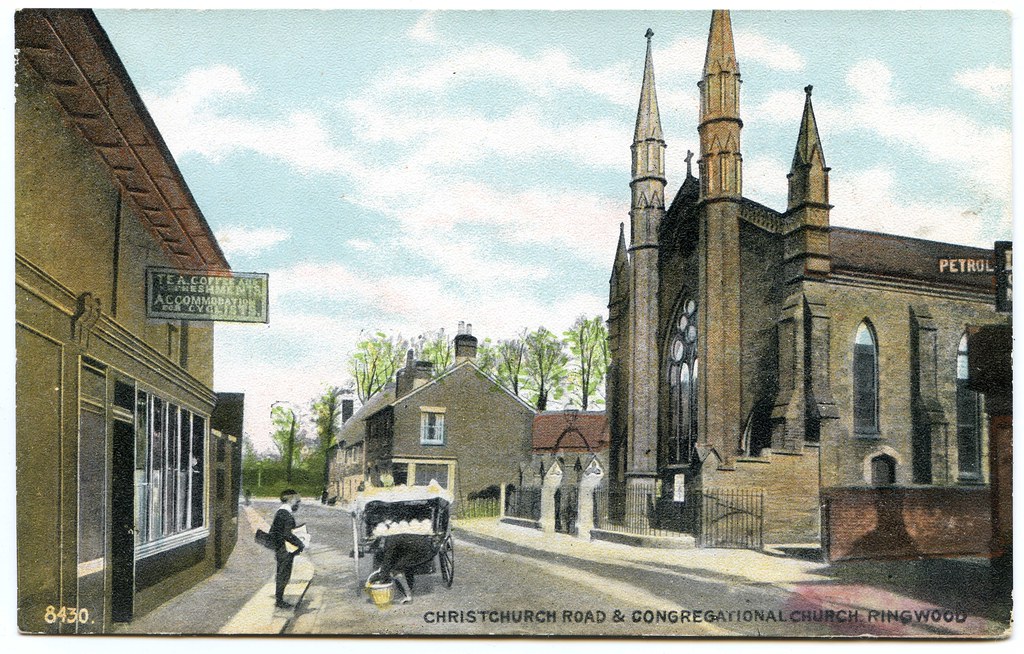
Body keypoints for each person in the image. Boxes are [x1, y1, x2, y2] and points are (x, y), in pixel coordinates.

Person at [269, 489, 305, 609]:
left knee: (282, 574)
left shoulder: (280, 512)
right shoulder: (286, 514)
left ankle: (279, 599)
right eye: (297, 501)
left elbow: (274, 531)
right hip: (285, 550)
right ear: (291, 500)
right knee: (283, 575)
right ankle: (279, 601)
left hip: (281, 548)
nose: (298, 504)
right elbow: (287, 534)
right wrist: (300, 543)